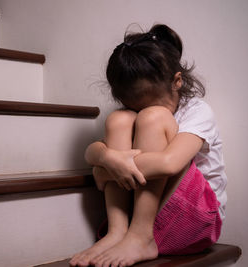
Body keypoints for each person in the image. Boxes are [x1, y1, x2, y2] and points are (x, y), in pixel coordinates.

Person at [69, 24, 227, 267]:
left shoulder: (198, 112)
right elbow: (91, 152)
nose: (143, 113)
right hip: (145, 216)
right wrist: (109, 160)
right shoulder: (132, 115)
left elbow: (168, 163)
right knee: (118, 119)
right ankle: (117, 231)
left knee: (153, 119)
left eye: (153, 104)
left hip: (194, 221)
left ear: (177, 81)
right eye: (137, 107)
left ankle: (140, 236)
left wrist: (103, 170)